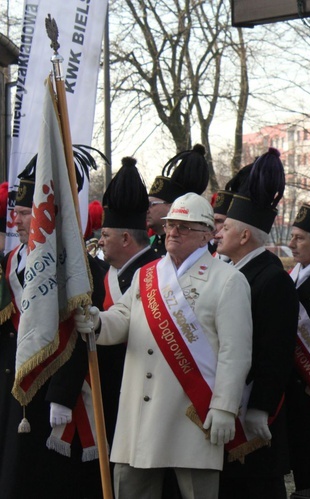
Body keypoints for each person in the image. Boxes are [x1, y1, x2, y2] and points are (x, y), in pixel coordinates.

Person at [76, 192, 253, 499]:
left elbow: (235, 352)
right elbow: (123, 318)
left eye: (184, 227)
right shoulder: (147, 274)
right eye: (171, 224)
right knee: (130, 489)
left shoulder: (227, 280)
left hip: (191, 411)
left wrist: (224, 406)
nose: (173, 232)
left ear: (206, 235)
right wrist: (99, 323)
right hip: (139, 412)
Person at [0, 156, 108, 499]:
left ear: (46, 213)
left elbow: (79, 332)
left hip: (54, 391)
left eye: (25, 212)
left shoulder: (81, 267)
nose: (16, 219)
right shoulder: (9, 261)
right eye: (15, 212)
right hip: (12, 384)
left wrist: (61, 395)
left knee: (48, 479)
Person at [216, 148, 299, 498]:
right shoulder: (229, 272)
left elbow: (275, 352)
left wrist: (259, 407)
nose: (218, 234)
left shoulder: (272, 279)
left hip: (254, 417)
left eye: (226, 227)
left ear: (246, 236)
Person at [97, 157, 160, 450]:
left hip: (147, 394)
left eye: (105, 235)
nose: (99, 241)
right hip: (108, 394)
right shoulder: (102, 274)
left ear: (125, 238)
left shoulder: (158, 274)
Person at [285, 194, 310, 491]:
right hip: (292, 387)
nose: (291, 244)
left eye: (299, 238)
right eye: (292, 237)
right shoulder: (291, 276)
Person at [147, 144, 210, 257]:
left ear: (172, 206)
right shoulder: (149, 245)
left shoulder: (194, 249)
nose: (146, 209)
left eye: (152, 204)